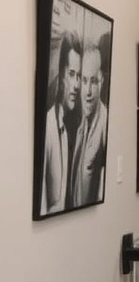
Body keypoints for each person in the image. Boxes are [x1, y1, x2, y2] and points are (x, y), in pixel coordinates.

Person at [41, 30, 82, 215]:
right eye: (72, 74)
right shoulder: (48, 128)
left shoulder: (63, 131)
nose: (77, 85)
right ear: (61, 74)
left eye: (79, 76)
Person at [69, 41, 108, 207]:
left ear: (102, 81)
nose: (89, 92)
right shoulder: (79, 122)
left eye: (93, 81)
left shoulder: (104, 124)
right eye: (84, 81)